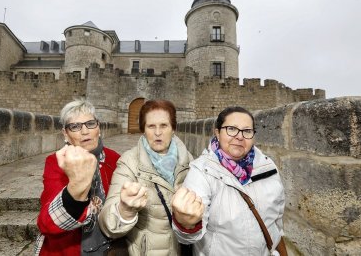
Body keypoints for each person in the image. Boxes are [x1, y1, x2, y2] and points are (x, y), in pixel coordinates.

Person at [171, 106, 287, 256]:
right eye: (231, 129)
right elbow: (188, 238)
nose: (240, 136)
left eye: (247, 131)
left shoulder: (268, 167)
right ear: (217, 133)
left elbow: (276, 223)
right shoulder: (201, 171)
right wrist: (186, 223)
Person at [98, 99, 194, 255]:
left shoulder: (189, 161)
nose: (157, 132)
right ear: (143, 130)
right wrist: (125, 210)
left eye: (164, 125)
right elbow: (107, 224)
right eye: (151, 126)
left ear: (173, 128)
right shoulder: (129, 162)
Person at [35, 97, 121, 255]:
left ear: (98, 127)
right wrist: (77, 186)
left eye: (90, 124)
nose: (85, 131)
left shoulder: (114, 158)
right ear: (65, 134)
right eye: (75, 126)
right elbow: (47, 224)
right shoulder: (56, 162)